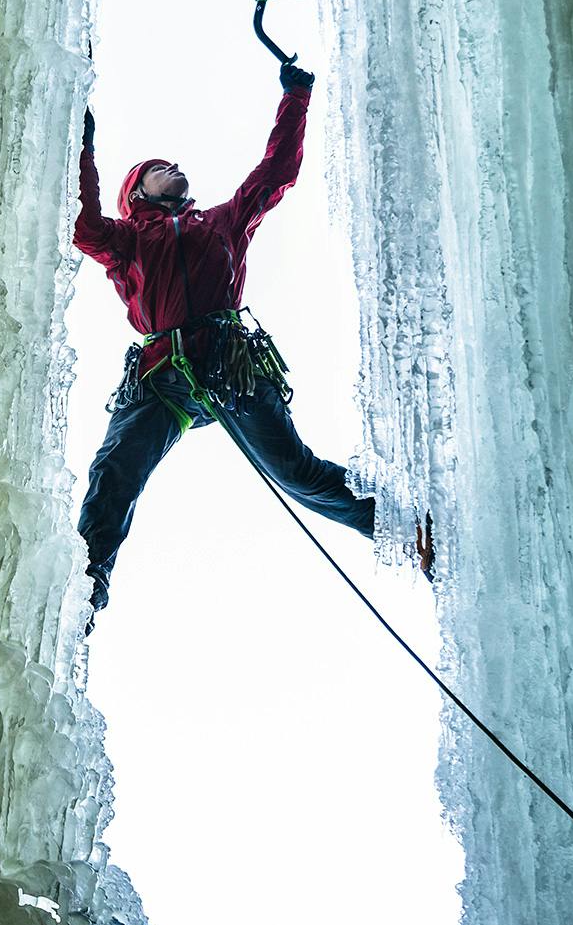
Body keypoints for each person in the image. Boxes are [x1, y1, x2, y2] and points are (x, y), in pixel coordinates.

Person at [70, 45, 379, 625]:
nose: (176, 166)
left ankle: (399, 527)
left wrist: (295, 98)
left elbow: (275, 175)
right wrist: (81, 145)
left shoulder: (220, 222)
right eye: (160, 166)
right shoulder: (129, 240)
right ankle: (87, 581)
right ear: (137, 192)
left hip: (226, 363)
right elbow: (85, 224)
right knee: (115, 469)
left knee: (294, 472)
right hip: (162, 375)